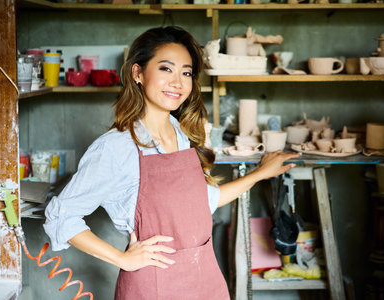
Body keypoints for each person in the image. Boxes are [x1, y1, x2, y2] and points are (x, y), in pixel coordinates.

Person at [43, 26, 299, 299]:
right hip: (155, 285)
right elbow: (61, 217)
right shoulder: (116, 147)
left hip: (204, 279)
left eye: (186, 73)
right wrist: (124, 259)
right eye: (166, 69)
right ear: (138, 73)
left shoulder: (179, 131)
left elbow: (203, 201)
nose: (178, 82)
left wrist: (261, 173)